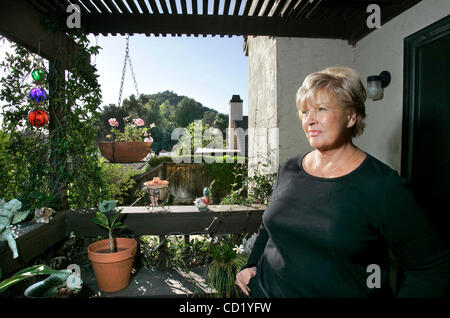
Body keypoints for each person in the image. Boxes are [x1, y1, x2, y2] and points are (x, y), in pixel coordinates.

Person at [235, 67, 450, 298]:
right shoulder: (288, 169)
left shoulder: (382, 186)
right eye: (305, 112)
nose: (310, 120)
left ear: (351, 116)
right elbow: (269, 225)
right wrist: (251, 263)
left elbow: (432, 269)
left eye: (321, 109)